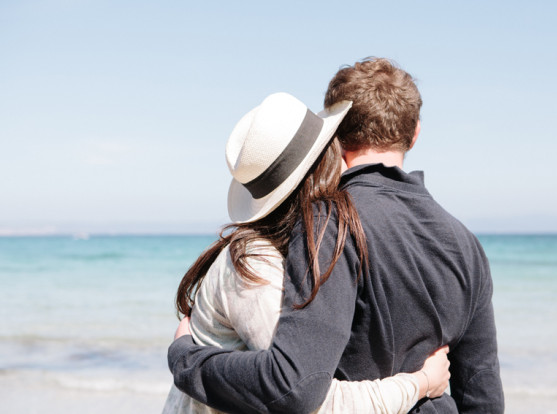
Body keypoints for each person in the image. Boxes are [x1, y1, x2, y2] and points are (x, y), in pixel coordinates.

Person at [168, 59, 504, 413]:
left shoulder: (329, 222)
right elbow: (483, 397)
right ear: (415, 133)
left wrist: (185, 359)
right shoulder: (467, 244)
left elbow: (296, 385)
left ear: (335, 135)